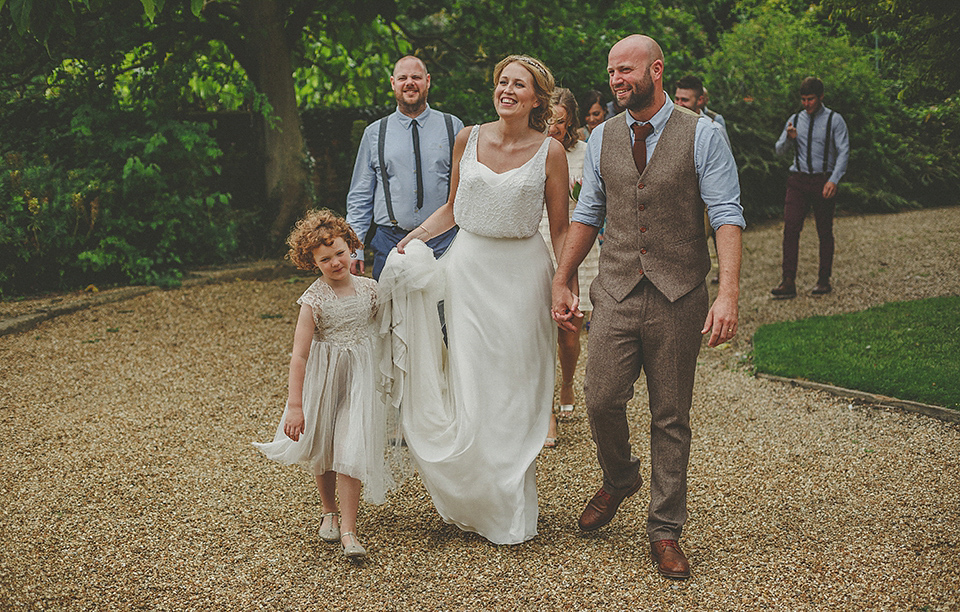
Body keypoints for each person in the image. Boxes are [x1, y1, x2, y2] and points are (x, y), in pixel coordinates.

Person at [551, 35, 744, 579]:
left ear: (656, 71)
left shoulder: (703, 136)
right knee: (599, 397)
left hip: (680, 294)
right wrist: (561, 280)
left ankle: (664, 529)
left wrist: (727, 293)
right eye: (611, 70)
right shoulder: (603, 136)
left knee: (670, 415)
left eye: (626, 70)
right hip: (614, 289)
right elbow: (589, 213)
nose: (616, 79)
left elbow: (727, 214)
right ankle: (619, 477)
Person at [377, 54, 571, 545]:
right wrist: (413, 239)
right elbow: (452, 208)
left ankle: (511, 503)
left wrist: (564, 281)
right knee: (475, 385)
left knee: (518, 388)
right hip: (469, 275)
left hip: (524, 276)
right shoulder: (469, 137)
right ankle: (480, 499)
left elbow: (562, 227)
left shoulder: (550, 152)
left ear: (536, 98)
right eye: (501, 82)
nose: (506, 90)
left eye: (518, 85)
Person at [254, 210, 397, 560]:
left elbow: (387, 328)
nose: (335, 263)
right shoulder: (313, 300)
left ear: (352, 247)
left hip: (360, 378)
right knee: (325, 445)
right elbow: (299, 357)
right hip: (325, 377)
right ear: (312, 262)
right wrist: (296, 405)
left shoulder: (371, 290)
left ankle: (349, 530)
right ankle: (329, 510)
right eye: (325, 259)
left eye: (340, 253)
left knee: (352, 447)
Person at [346, 56, 465, 279]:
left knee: (443, 310)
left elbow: (467, 190)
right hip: (389, 241)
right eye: (403, 78)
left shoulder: (453, 127)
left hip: (443, 239)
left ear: (427, 81)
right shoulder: (375, 133)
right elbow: (360, 196)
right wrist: (354, 247)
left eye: (416, 77)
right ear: (393, 83)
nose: (409, 82)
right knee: (390, 311)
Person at [538, 87, 599, 447]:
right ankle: (542, 404)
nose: (553, 128)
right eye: (547, 120)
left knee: (570, 329)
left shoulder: (588, 153)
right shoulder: (533, 150)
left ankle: (567, 382)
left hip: (579, 246)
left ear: (571, 121)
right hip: (538, 242)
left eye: (559, 122)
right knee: (537, 329)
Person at [771, 77, 849, 298]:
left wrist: (834, 180)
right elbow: (779, 151)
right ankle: (788, 281)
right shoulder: (795, 119)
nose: (806, 103)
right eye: (803, 99)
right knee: (791, 228)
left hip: (823, 180)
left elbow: (844, 151)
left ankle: (824, 280)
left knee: (824, 231)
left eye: (810, 99)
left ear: (821, 97)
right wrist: (788, 138)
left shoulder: (835, 120)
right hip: (798, 180)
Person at [674, 75, 731, 149]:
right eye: (676, 99)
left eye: (685, 100)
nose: (679, 104)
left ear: (700, 100)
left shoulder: (715, 130)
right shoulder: (668, 125)